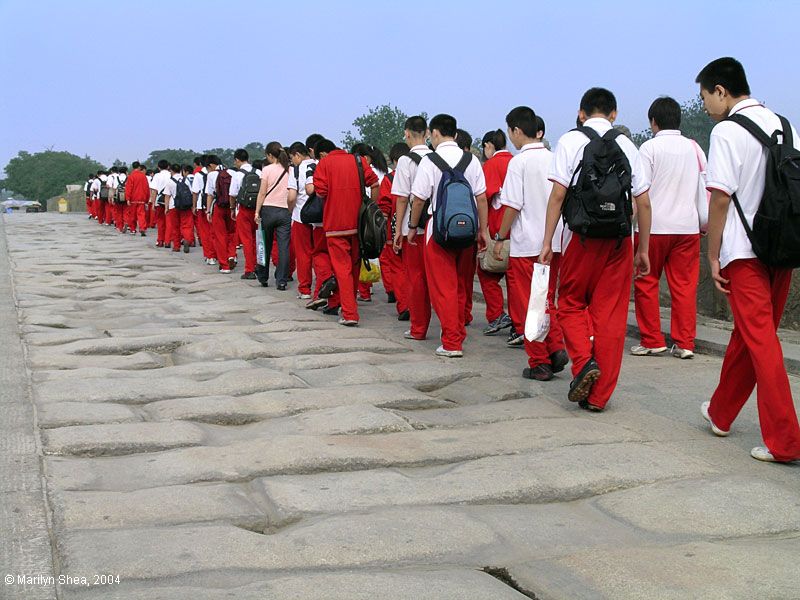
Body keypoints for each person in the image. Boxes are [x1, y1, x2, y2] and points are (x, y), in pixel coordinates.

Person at [697, 57, 800, 463]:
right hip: (784, 248)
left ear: (721, 91)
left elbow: (720, 197)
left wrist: (712, 253)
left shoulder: (726, 131)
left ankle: (786, 442)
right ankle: (721, 413)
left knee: (761, 341)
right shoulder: (786, 125)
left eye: (705, 97)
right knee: (750, 335)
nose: (705, 106)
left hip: (744, 252)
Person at [540, 87, 652, 412]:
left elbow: (558, 195)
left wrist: (547, 241)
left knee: (571, 303)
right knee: (612, 315)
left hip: (581, 237)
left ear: (581, 112)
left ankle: (584, 363)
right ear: (614, 114)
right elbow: (643, 202)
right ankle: (599, 397)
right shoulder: (629, 146)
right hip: (619, 240)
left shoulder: (570, 141)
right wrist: (642, 248)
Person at [492, 106, 568, 381]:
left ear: (515, 130)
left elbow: (511, 205)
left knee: (528, 304)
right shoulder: (555, 158)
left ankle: (539, 361)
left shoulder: (519, 162)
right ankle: (556, 346)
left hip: (527, 243)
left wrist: (500, 236)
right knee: (547, 299)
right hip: (554, 240)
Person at [631, 96, 707, 359]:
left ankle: (653, 339)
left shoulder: (648, 149)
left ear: (654, 121)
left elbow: (640, 193)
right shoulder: (694, 148)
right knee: (685, 286)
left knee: (646, 281)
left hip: (654, 227)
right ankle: (685, 342)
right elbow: (703, 186)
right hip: (687, 227)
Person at [408, 114, 489, 357]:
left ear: (433, 133)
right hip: (467, 231)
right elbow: (482, 198)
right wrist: (482, 230)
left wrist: (412, 227)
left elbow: (419, 199)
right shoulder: (471, 160)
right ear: (455, 133)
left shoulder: (430, 161)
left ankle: (452, 342)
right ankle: (458, 332)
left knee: (443, 288)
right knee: (461, 284)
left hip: (439, 231)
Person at [313, 141, 379, 325]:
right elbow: (374, 183)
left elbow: (321, 192)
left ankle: (350, 313)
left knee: (341, 268)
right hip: (358, 223)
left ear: (324, 153)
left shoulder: (324, 164)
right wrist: (372, 208)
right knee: (354, 266)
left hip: (334, 225)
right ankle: (345, 305)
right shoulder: (357, 161)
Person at [392, 116, 432, 340]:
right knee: (438, 280)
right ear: (427, 133)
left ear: (407, 133)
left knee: (416, 279)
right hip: (436, 228)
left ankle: (418, 328)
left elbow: (401, 199)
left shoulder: (406, 161)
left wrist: (399, 230)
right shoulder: (437, 158)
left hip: (413, 229)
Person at [479, 129, 514, 337]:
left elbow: (485, 197)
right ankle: (519, 322)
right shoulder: (516, 161)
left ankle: (497, 314)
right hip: (520, 231)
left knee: (486, 273)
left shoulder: (492, 165)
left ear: (488, 145)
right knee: (515, 279)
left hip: (497, 229)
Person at [305, 138, 340, 314]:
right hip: (343, 220)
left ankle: (324, 286)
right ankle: (332, 302)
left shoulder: (315, 166)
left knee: (320, 255)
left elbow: (312, 190)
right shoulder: (349, 163)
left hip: (322, 220)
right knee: (339, 262)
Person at [351, 143, 388, 303]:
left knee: (363, 251)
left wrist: (370, 209)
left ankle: (364, 291)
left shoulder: (364, 172)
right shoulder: (385, 172)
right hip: (382, 217)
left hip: (368, 216)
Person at [380, 142, 411, 320]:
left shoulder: (389, 180)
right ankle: (418, 304)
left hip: (394, 230)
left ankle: (404, 305)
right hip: (416, 229)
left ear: (393, 160)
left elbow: (384, 207)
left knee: (398, 269)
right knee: (413, 270)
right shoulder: (418, 175)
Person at [255, 142, 292, 289]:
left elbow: (262, 192)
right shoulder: (290, 170)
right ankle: (281, 280)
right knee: (284, 247)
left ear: (270, 155)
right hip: (284, 211)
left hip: (268, 210)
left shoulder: (267, 170)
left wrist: (257, 211)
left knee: (264, 244)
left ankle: (263, 276)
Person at [287, 141, 317, 298]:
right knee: (320, 253)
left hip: (300, 217)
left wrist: (290, 209)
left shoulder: (296, 170)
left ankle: (305, 289)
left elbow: (292, 196)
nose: (292, 161)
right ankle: (322, 286)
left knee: (303, 254)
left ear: (297, 155)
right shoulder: (319, 164)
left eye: (292, 158)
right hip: (320, 219)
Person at [229, 149, 258, 279]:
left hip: (244, 210)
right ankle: (259, 266)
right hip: (258, 209)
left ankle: (249, 269)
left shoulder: (237, 175)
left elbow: (233, 194)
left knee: (246, 240)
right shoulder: (258, 172)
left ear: (237, 160)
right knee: (257, 239)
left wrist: (232, 208)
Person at [205, 155, 237, 273]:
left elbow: (210, 194)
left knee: (220, 236)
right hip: (231, 207)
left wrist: (208, 211)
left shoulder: (211, 175)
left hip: (219, 207)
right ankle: (232, 255)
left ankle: (224, 265)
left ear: (212, 165)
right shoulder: (233, 172)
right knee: (232, 233)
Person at [163, 164, 195, 252]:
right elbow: (192, 193)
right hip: (186, 205)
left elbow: (167, 196)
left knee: (175, 227)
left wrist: (166, 208)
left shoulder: (169, 181)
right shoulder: (186, 180)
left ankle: (176, 246)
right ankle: (186, 240)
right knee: (186, 225)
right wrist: (193, 205)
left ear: (172, 171)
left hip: (173, 206)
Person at [192, 155, 216, 265]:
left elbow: (195, 192)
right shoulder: (217, 173)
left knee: (205, 232)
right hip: (214, 205)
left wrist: (194, 206)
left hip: (202, 206)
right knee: (215, 232)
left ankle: (209, 256)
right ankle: (216, 254)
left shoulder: (198, 175)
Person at [149, 160, 171, 247]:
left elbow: (154, 190)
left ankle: (160, 240)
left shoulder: (157, 176)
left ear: (158, 167)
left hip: (159, 200)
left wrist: (153, 202)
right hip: (170, 201)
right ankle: (168, 240)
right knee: (169, 222)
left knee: (160, 222)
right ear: (168, 167)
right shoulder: (171, 174)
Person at [125, 162, 150, 236]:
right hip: (142, 198)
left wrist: (128, 198)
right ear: (139, 167)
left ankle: (133, 229)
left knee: (132, 215)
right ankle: (142, 228)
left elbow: (128, 188)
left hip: (133, 198)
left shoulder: (131, 176)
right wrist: (147, 199)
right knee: (141, 215)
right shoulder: (143, 176)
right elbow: (146, 188)